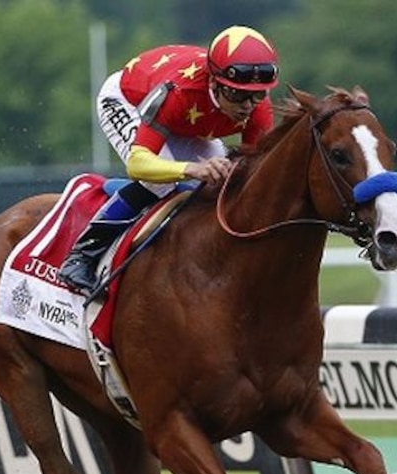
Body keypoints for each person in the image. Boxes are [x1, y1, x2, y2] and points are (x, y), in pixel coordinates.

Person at [58, 25, 281, 295]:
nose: (246, 106)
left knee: (222, 183)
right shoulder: (180, 92)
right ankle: (82, 256)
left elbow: (255, 174)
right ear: (214, 82)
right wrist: (191, 169)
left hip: (189, 120)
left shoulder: (257, 108)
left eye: (257, 95)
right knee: (159, 183)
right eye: (236, 94)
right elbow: (138, 164)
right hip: (129, 100)